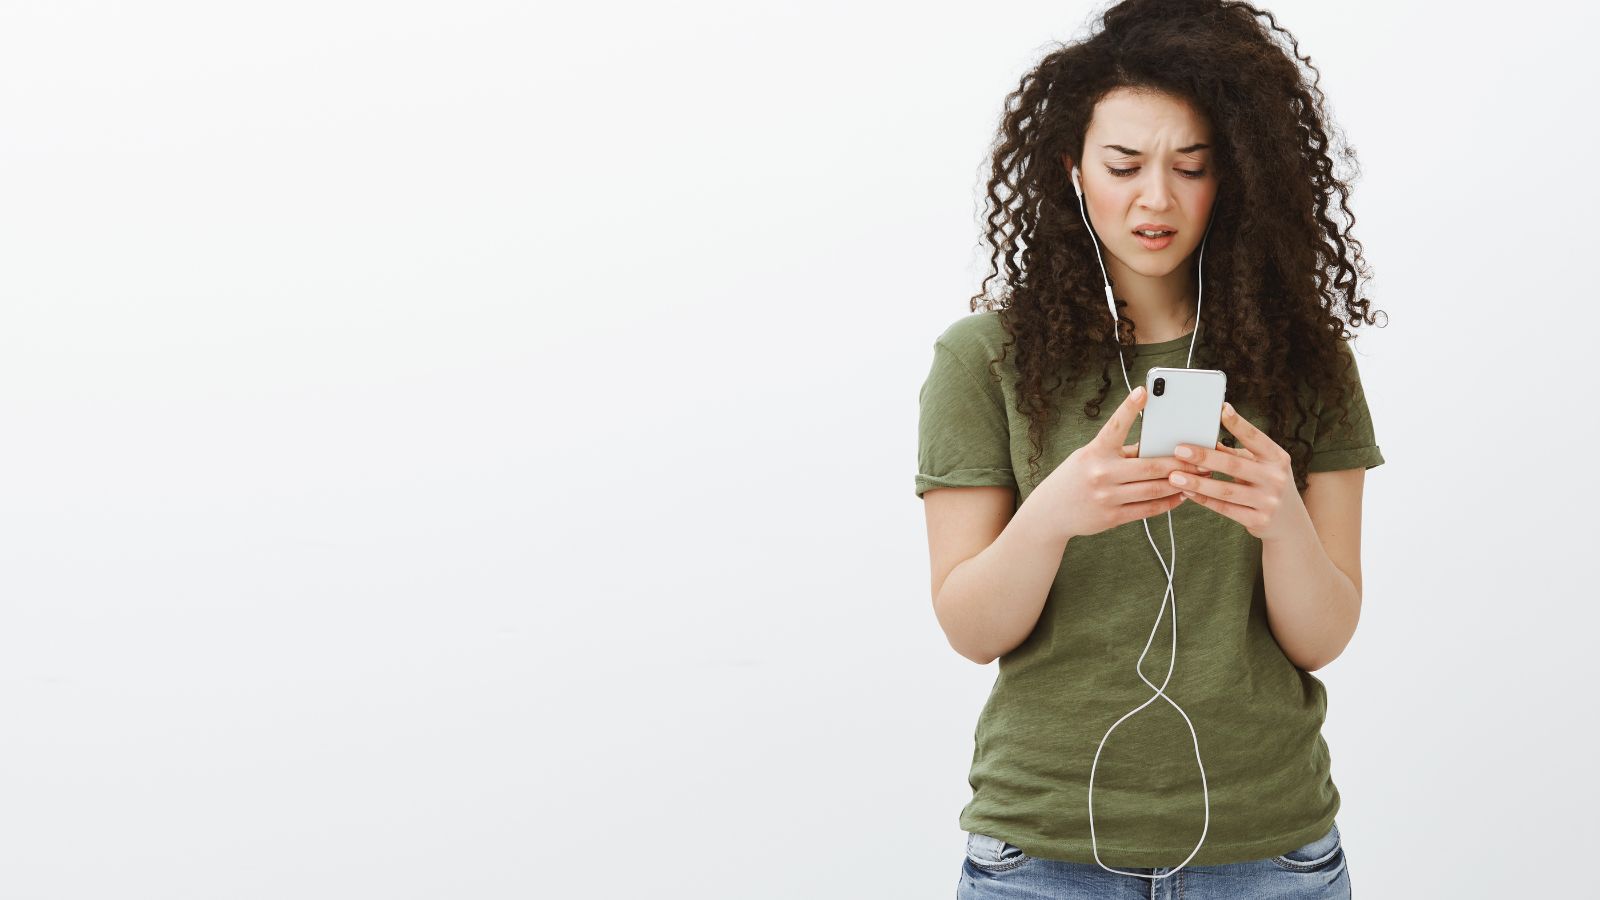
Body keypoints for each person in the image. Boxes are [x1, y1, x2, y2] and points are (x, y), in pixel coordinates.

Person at [914, 1, 1386, 897]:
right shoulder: (982, 358)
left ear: (1233, 177)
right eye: (1124, 165)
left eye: (1192, 167)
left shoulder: (1308, 361)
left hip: (1268, 851)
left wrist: (1283, 521)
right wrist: (1054, 514)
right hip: (1042, 853)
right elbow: (971, 629)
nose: (1156, 198)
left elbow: (1323, 638)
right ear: (1072, 170)